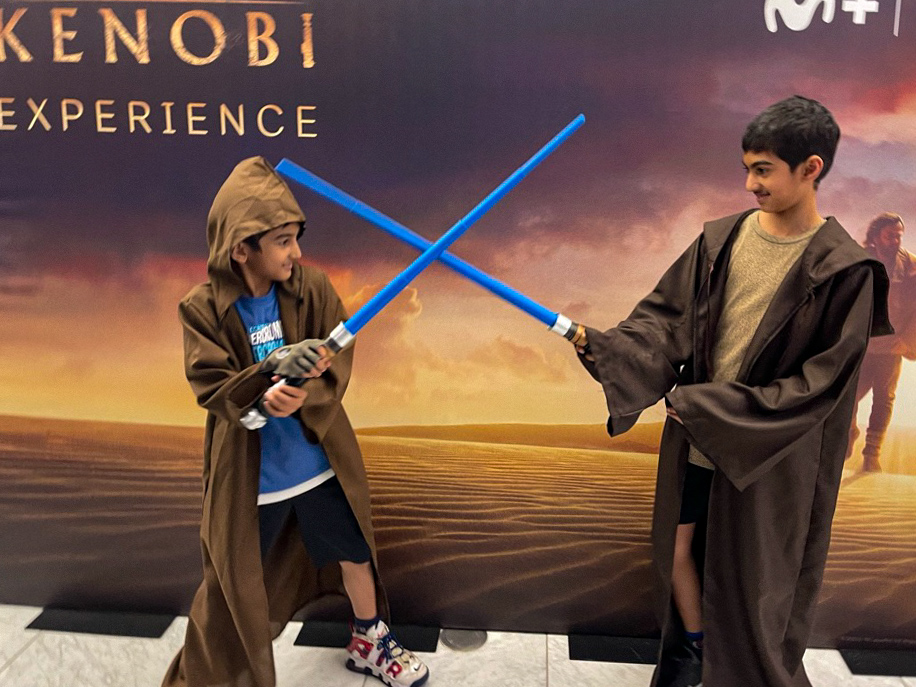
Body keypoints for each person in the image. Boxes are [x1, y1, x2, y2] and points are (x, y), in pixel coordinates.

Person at [572, 96, 891, 687]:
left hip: (770, 460)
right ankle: (693, 654)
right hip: (697, 440)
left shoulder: (846, 272)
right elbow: (664, 320)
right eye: (747, 168)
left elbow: (818, 386)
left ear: (811, 168)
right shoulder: (721, 240)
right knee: (676, 551)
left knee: (753, 584)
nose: (749, 184)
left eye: (763, 170)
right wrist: (613, 349)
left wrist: (708, 406)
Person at [162, 157, 429, 687]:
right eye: (282, 241)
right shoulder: (202, 308)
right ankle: (207, 678)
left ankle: (370, 641)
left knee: (356, 553)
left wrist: (304, 389)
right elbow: (213, 385)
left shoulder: (312, 287)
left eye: (296, 239)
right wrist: (268, 380)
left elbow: (337, 363)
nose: (296, 253)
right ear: (241, 248)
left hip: (319, 466)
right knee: (230, 586)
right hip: (251, 481)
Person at [847, 212, 916, 472]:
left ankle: (871, 454)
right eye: (890, 236)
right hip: (860, 344)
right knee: (847, 396)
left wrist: (907, 342)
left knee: (884, 398)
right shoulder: (857, 260)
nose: (896, 241)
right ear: (875, 237)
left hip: (892, 345)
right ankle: (848, 434)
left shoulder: (912, 265)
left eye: (899, 236)